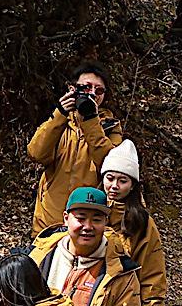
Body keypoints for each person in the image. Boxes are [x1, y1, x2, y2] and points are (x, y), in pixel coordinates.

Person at [98, 140, 168, 306]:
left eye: (122, 181)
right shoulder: (91, 210)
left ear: (133, 185)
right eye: (110, 178)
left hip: (123, 300)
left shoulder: (142, 224)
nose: (114, 186)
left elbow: (153, 274)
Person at [27, 68, 122, 236]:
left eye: (99, 90)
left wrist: (90, 121)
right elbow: (36, 153)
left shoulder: (110, 127)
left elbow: (110, 165)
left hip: (86, 226)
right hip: (49, 223)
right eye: (86, 88)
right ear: (72, 89)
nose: (92, 93)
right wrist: (60, 114)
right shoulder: (60, 121)